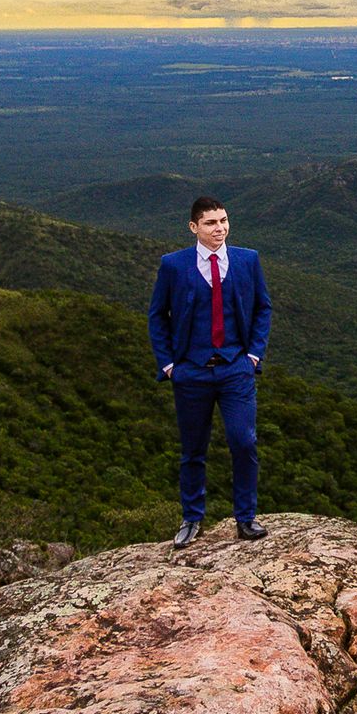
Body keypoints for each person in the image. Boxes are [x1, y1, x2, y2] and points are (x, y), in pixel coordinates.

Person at [147, 196, 273, 548]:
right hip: (191, 373)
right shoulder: (174, 265)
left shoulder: (247, 260)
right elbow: (158, 315)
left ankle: (246, 518)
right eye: (211, 223)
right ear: (193, 227)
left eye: (224, 221)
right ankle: (191, 518)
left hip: (236, 369)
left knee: (243, 441)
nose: (220, 228)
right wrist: (170, 365)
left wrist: (252, 356)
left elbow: (263, 306)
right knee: (193, 448)